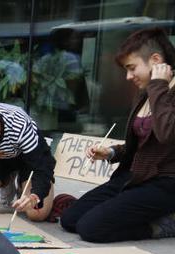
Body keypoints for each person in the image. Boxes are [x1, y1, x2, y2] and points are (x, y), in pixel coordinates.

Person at [60, 28, 175, 242]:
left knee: (91, 229)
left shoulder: (160, 91)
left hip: (165, 183)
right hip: (134, 177)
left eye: (132, 68)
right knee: (70, 219)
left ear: (156, 60)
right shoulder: (145, 93)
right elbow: (144, 144)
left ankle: (162, 225)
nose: (128, 76)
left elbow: (166, 134)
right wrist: (112, 152)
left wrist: (159, 85)